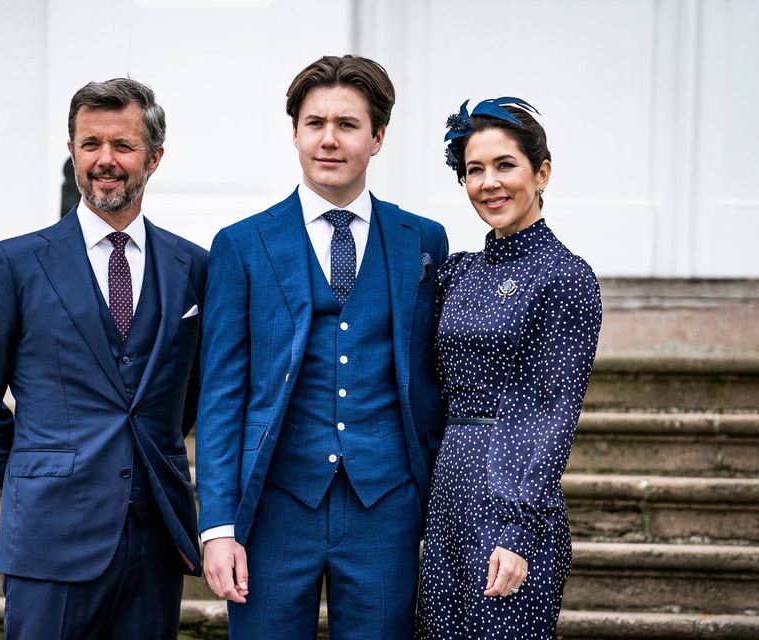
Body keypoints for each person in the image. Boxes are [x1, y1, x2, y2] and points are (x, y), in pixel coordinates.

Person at [0, 78, 208, 639]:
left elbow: (190, 391)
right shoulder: (14, 264)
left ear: (154, 158)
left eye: (123, 145)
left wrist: (149, 447)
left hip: (156, 536)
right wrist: (31, 470)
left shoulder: (194, 267)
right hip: (50, 534)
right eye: (90, 144)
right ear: (72, 151)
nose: (104, 159)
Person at [195, 55, 448, 639]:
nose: (329, 139)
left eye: (347, 124)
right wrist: (219, 527)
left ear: (377, 138)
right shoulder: (242, 244)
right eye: (315, 123)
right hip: (274, 506)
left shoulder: (423, 240)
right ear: (295, 133)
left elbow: (432, 379)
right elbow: (222, 396)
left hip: (386, 506)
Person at [415, 97, 602, 639]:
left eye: (505, 165)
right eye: (475, 170)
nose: (489, 183)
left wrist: (516, 530)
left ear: (542, 173)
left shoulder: (566, 277)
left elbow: (552, 412)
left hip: (510, 497)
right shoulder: (458, 272)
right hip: (448, 496)